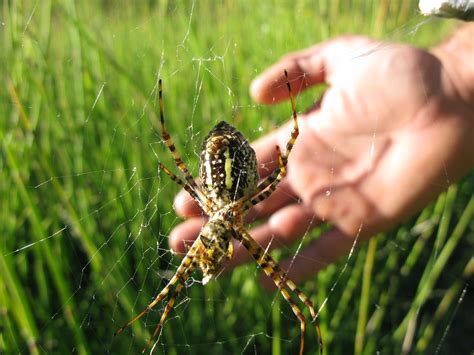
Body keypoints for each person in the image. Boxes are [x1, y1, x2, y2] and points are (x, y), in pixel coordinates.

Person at [169, 23, 474, 289]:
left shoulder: (221, 207)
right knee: (268, 270)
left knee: (267, 271)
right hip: (233, 182)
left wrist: (456, 77)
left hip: (224, 184)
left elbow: (265, 176)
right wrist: (455, 76)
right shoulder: (243, 210)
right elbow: (269, 178)